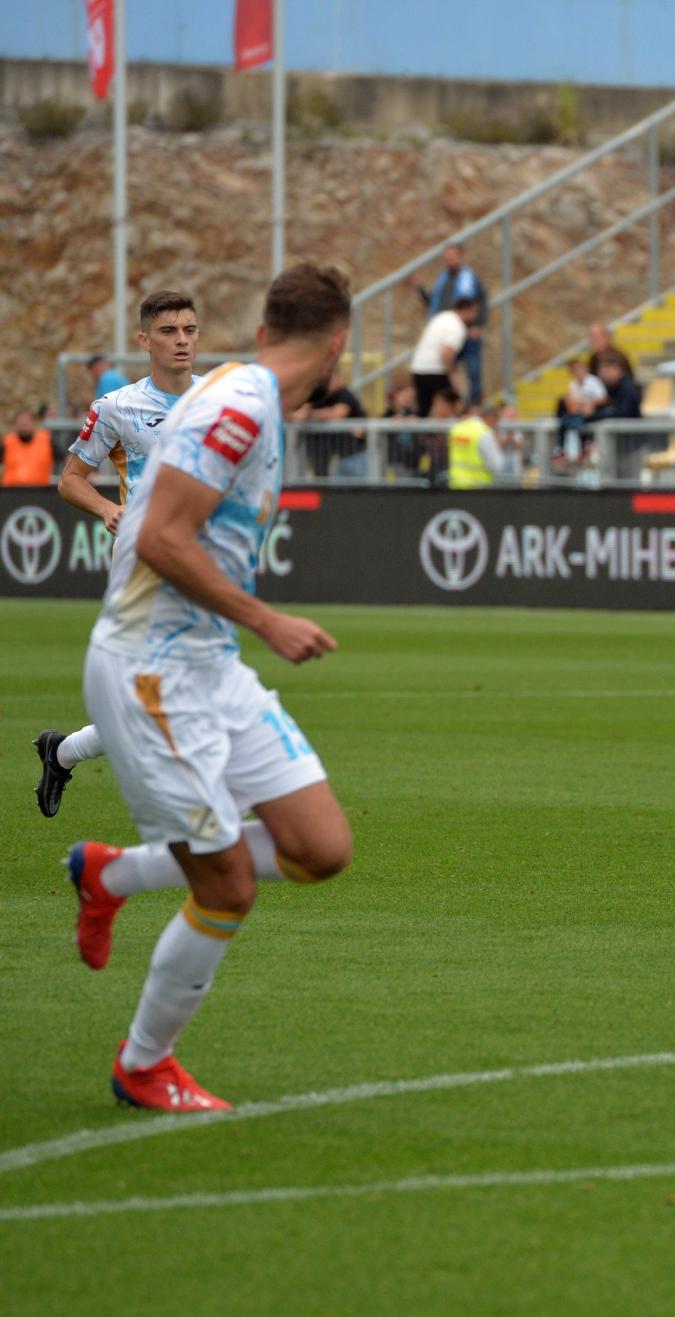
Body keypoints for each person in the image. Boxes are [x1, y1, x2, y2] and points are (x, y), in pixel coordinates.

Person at [65, 262, 356, 1110]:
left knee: (322, 848)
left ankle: (110, 875)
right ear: (338, 346)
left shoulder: (244, 392)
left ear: (264, 331)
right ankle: (143, 1062)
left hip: (208, 663)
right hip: (151, 668)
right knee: (225, 884)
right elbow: (160, 536)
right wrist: (269, 620)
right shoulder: (239, 406)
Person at [38, 290, 204, 820]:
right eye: (168, 331)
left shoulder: (218, 400)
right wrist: (108, 510)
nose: (181, 340)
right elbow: (71, 481)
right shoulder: (118, 407)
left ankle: (62, 752)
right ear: (144, 340)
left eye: (189, 330)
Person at [409, 243, 487, 399]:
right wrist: (420, 289)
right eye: (447, 257)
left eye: (453, 256)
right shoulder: (443, 280)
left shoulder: (470, 278)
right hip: (448, 331)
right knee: (448, 370)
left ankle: (474, 403)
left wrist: (478, 324)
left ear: (460, 256)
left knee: (473, 370)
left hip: (467, 330)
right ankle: (452, 402)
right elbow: (434, 302)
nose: (450, 260)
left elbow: (481, 301)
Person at [409, 296, 478, 416]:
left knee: (424, 409)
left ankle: (423, 434)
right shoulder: (457, 326)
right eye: (474, 312)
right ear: (467, 310)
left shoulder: (442, 317)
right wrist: (452, 375)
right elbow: (446, 353)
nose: (475, 316)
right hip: (436, 370)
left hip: (418, 368)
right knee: (451, 406)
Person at [3, 408, 52, 486]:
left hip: (41, 493)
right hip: (11, 492)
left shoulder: (47, 440)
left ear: (34, 423)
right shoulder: (6, 443)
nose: (23, 425)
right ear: (14, 425)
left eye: (26, 422)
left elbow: (66, 459)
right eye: (20, 423)